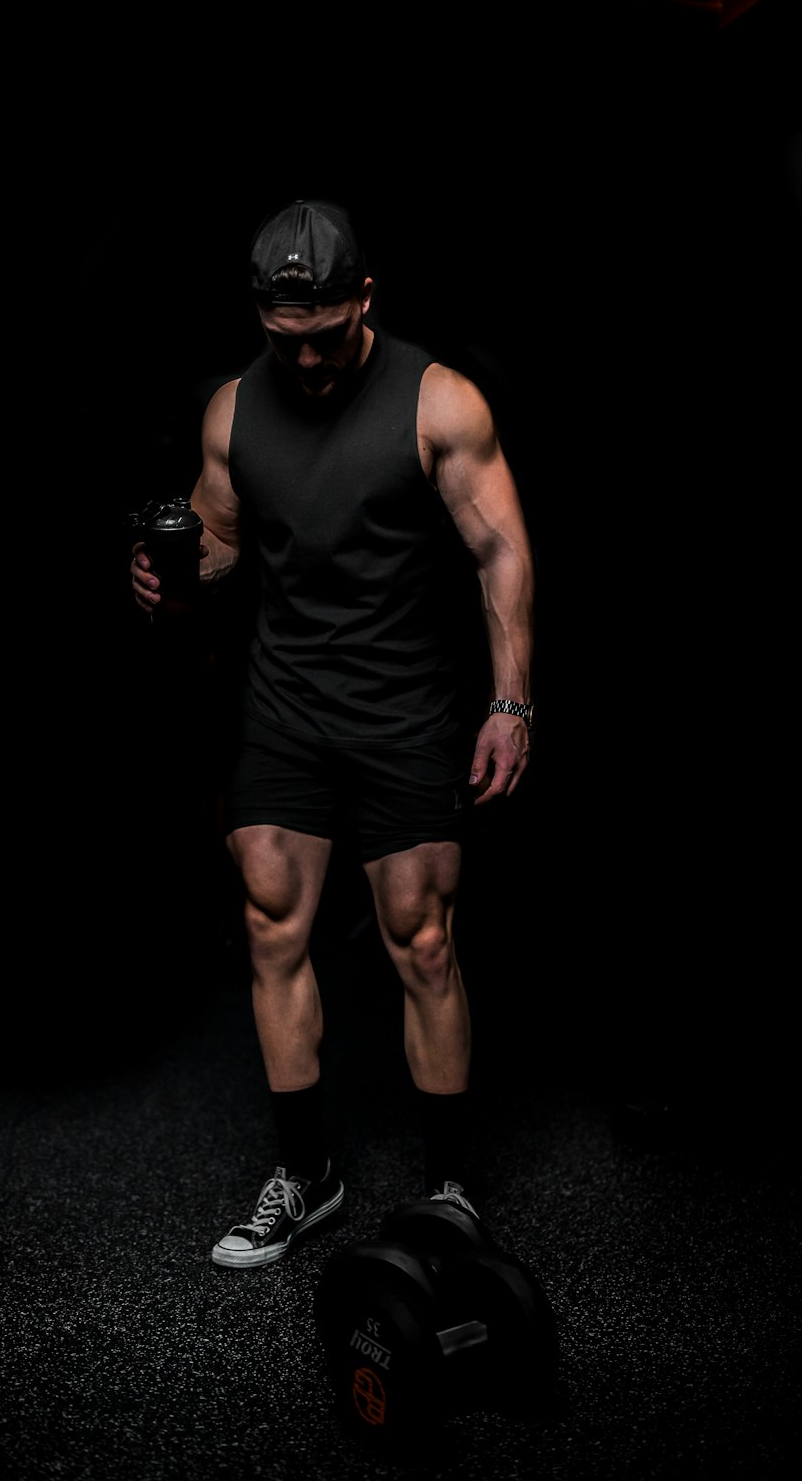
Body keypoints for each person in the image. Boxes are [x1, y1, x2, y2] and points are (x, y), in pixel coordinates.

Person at [132, 198, 535, 1269]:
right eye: (284, 341)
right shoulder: (231, 411)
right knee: (272, 923)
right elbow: (217, 543)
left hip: (406, 706)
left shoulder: (439, 402)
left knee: (423, 938)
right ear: (261, 316)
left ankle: (450, 1190)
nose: (306, 364)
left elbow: (500, 554)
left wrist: (509, 700)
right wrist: (170, 580)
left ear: (364, 298)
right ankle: (307, 1177)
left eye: (325, 339)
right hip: (286, 704)